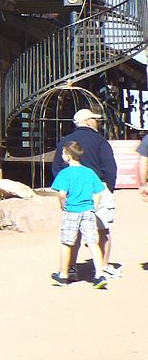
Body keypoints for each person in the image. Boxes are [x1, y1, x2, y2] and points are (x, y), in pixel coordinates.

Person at [50, 108, 118, 274]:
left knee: (73, 232)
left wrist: (66, 187)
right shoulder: (100, 141)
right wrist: (109, 187)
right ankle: (103, 267)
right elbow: (110, 167)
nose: (98, 122)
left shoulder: (66, 141)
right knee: (102, 230)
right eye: (95, 119)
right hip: (98, 188)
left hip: (73, 191)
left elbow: (57, 167)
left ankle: (70, 268)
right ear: (89, 121)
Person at [50, 141, 110, 289]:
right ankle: (99, 274)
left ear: (68, 156)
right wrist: (93, 207)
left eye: (63, 153)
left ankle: (63, 275)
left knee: (67, 242)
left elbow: (62, 194)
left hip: (72, 210)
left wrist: (63, 205)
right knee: (92, 242)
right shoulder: (89, 172)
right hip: (88, 211)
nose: (62, 155)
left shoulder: (64, 174)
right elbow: (98, 193)